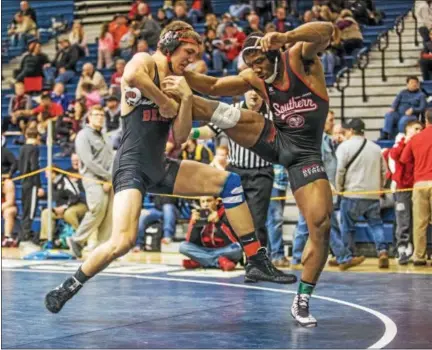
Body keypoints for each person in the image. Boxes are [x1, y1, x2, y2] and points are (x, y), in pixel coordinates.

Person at [45, 21, 296, 315]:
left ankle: (256, 261)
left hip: (161, 165)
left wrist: (186, 97)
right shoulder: (147, 62)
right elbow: (132, 75)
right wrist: (164, 100)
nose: (191, 58)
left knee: (229, 183)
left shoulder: (181, 82)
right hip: (131, 166)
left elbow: (179, 136)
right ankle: (69, 286)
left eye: (194, 53)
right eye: (187, 51)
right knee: (123, 241)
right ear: (169, 45)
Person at [183, 22, 334, 327]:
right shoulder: (255, 77)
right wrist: (179, 72)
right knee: (236, 115)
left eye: (260, 62)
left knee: (320, 224)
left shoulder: (298, 57)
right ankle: (174, 102)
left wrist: (288, 36)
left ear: (275, 53)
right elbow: (213, 86)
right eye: (251, 65)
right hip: (274, 140)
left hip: (304, 156)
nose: (256, 69)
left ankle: (302, 298)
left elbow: (328, 30)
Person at [190, 89, 275, 247]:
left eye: (257, 90)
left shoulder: (273, 113)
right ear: (243, 91)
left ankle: (258, 262)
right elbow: (209, 131)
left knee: (257, 222)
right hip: (235, 172)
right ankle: (235, 254)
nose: (254, 95)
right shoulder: (232, 110)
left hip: (261, 174)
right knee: (228, 218)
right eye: (250, 90)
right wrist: (190, 133)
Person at [292, 112, 365, 271]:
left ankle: (299, 257)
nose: (333, 123)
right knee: (316, 223)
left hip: (319, 187)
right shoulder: (316, 139)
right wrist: (325, 183)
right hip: (316, 187)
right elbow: (314, 162)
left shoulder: (324, 139)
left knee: (308, 224)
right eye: (330, 120)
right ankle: (342, 257)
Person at [336, 118, 389, 269]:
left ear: (351, 131)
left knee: (347, 227)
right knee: (376, 224)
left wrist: (339, 188)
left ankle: (349, 255)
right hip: (371, 194)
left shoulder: (344, 147)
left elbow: (340, 170)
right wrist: (380, 187)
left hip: (351, 194)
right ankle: (383, 251)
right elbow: (384, 171)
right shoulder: (376, 148)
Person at [66, 106, 114, 257]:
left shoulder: (105, 135)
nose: (100, 117)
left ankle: (102, 247)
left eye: (102, 115)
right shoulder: (83, 135)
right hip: (92, 179)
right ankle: (77, 240)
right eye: (96, 115)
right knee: (97, 209)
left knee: (108, 214)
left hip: (108, 179)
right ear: (89, 117)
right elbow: (88, 161)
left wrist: (110, 177)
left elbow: (111, 157)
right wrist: (107, 177)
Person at [388, 120, 423, 265]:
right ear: (408, 130)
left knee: (418, 219)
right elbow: (394, 156)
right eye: (416, 128)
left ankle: (417, 249)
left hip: (416, 186)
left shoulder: (420, 144)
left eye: (420, 129)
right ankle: (402, 247)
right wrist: (406, 142)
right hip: (403, 188)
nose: (418, 131)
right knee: (403, 219)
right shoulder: (399, 143)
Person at [400, 109, 432, 266]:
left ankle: (419, 256)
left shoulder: (416, 138)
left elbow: (404, 159)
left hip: (420, 183)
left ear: (426, 120)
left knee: (419, 223)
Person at [179, 196, 243, 271]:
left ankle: (200, 261)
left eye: (208, 201)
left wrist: (218, 223)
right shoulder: (198, 215)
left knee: (238, 248)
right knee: (183, 246)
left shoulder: (227, 213)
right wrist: (194, 224)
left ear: (216, 201)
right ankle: (218, 262)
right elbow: (190, 242)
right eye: (203, 202)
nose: (205, 204)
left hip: (224, 250)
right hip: (205, 250)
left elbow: (233, 241)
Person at [39, 167, 87, 243]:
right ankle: (46, 240)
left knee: (69, 213)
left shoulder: (65, 180)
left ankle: (79, 239)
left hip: (78, 204)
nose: (46, 176)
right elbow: (55, 195)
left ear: (54, 173)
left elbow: (75, 195)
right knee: (46, 213)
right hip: (62, 208)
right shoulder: (53, 183)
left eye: (47, 174)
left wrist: (65, 207)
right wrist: (44, 194)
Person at [18, 127, 45, 246]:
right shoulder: (34, 149)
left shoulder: (22, 148)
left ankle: (24, 233)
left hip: (24, 182)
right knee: (31, 210)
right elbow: (34, 167)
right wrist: (39, 186)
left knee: (25, 209)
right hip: (31, 183)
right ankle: (26, 234)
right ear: (37, 137)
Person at [1, 179, 18, 247]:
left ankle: (7, 238)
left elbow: (10, 202)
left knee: (9, 211)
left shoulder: (7, 183)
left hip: (6, 207)